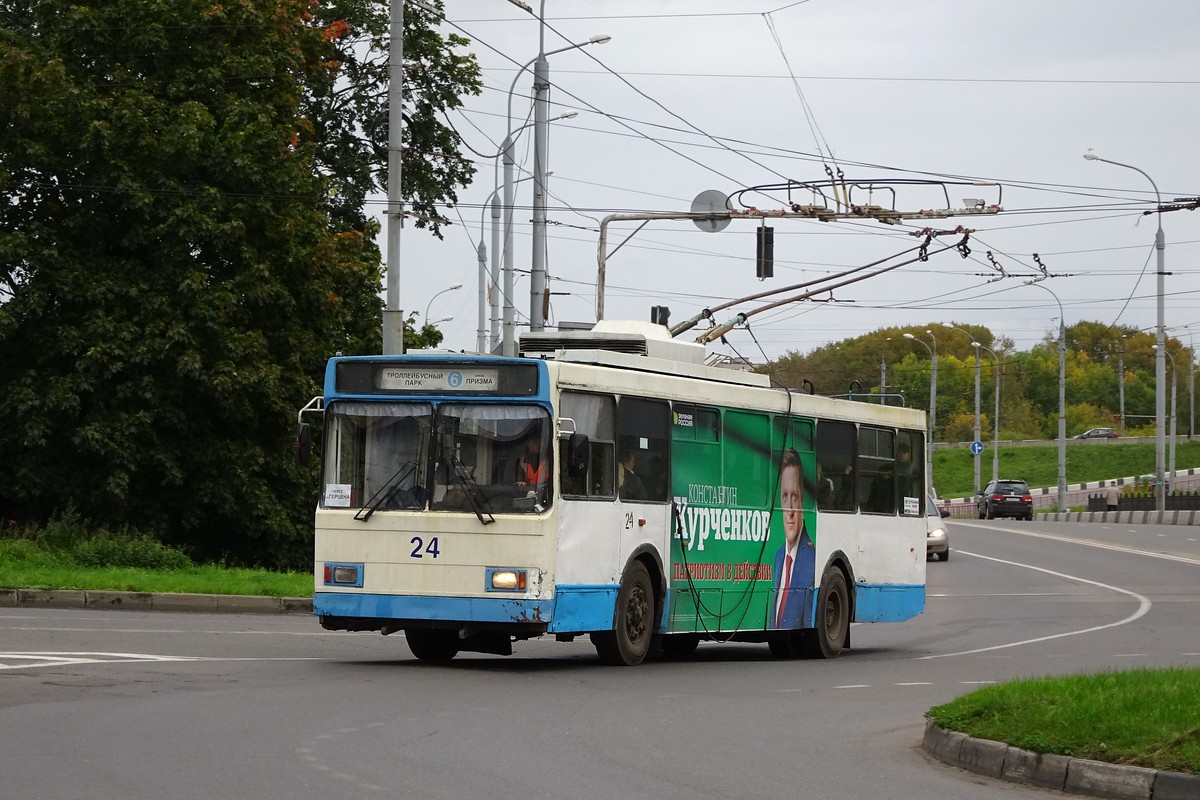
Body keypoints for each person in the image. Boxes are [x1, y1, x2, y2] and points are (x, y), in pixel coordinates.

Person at [772, 448, 816, 629]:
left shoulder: (813, 559)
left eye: (795, 497)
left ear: (802, 498)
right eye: (785, 497)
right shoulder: (779, 557)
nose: (790, 510)